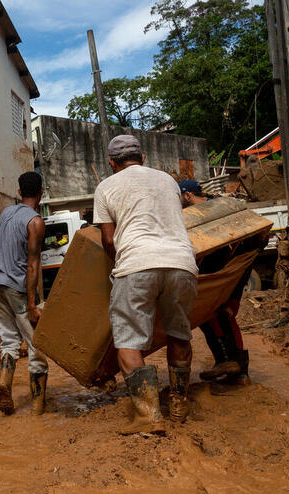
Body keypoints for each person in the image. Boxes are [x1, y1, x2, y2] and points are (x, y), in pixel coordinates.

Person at [93, 135, 199, 435]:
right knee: (179, 332)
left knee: (128, 339)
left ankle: (148, 415)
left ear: (112, 163)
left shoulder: (106, 187)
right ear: (143, 157)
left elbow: (109, 239)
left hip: (137, 264)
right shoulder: (168, 181)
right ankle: (179, 403)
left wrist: (121, 264)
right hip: (182, 263)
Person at [0, 172, 49, 416]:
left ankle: (4, 383)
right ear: (41, 192)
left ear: (19, 192)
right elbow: (32, 265)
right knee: (36, 344)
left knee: (9, 341)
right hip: (17, 287)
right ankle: (38, 408)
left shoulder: (5, 213)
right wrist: (32, 305)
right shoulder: (36, 222)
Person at [180, 179, 252, 385]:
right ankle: (228, 365)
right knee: (210, 318)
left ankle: (236, 368)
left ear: (187, 195)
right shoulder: (217, 205)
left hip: (225, 274)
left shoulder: (205, 213)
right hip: (226, 272)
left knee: (220, 315)